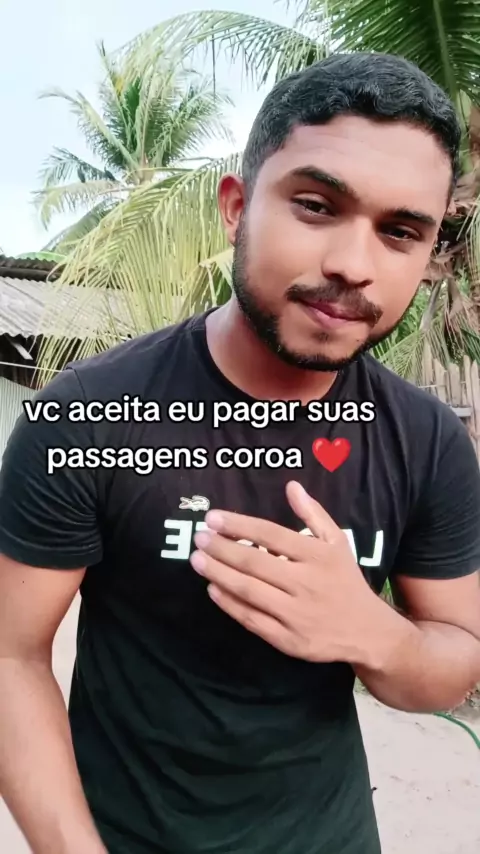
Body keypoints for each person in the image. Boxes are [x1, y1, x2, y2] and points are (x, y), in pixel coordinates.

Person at [0, 52, 479, 854]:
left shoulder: (426, 441)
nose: (354, 265)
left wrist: (376, 634)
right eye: (316, 206)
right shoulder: (89, 417)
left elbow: (457, 659)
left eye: (400, 232)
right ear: (236, 207)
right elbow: (11, 657)